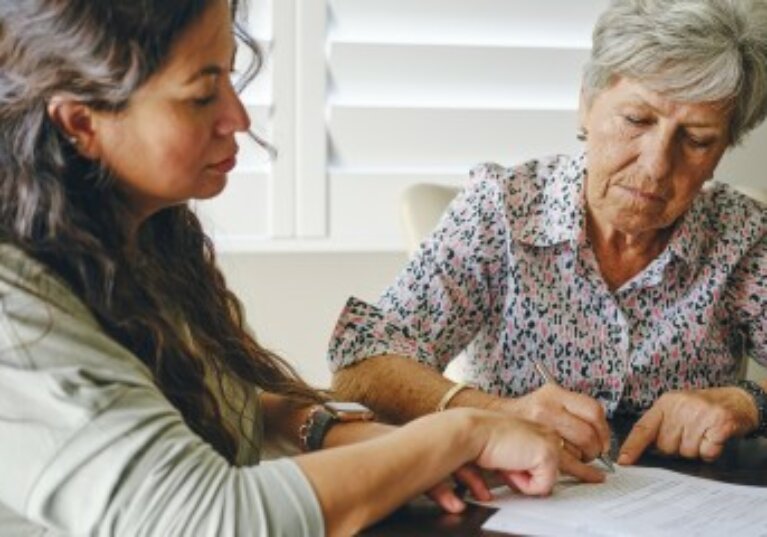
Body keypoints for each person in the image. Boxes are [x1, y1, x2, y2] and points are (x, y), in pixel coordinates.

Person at [0, 1, 587, 536]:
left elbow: (217, 406)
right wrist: (463, 430)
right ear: (81, 123)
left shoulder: (131, 239)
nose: (237, 117)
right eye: (202, 95)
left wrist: (353, 438)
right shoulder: (15, 309)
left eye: (231, 76)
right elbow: (208, 517)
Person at [329, 0, 767, 473]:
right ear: (587, 103)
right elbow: (361, 366)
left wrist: (749, 404)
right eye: (637, 120)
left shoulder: (741, 235)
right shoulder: (501, 209)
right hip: (521, 500)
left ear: (725, 146)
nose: (656, 166)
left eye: (697, 140)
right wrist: (498, 414)